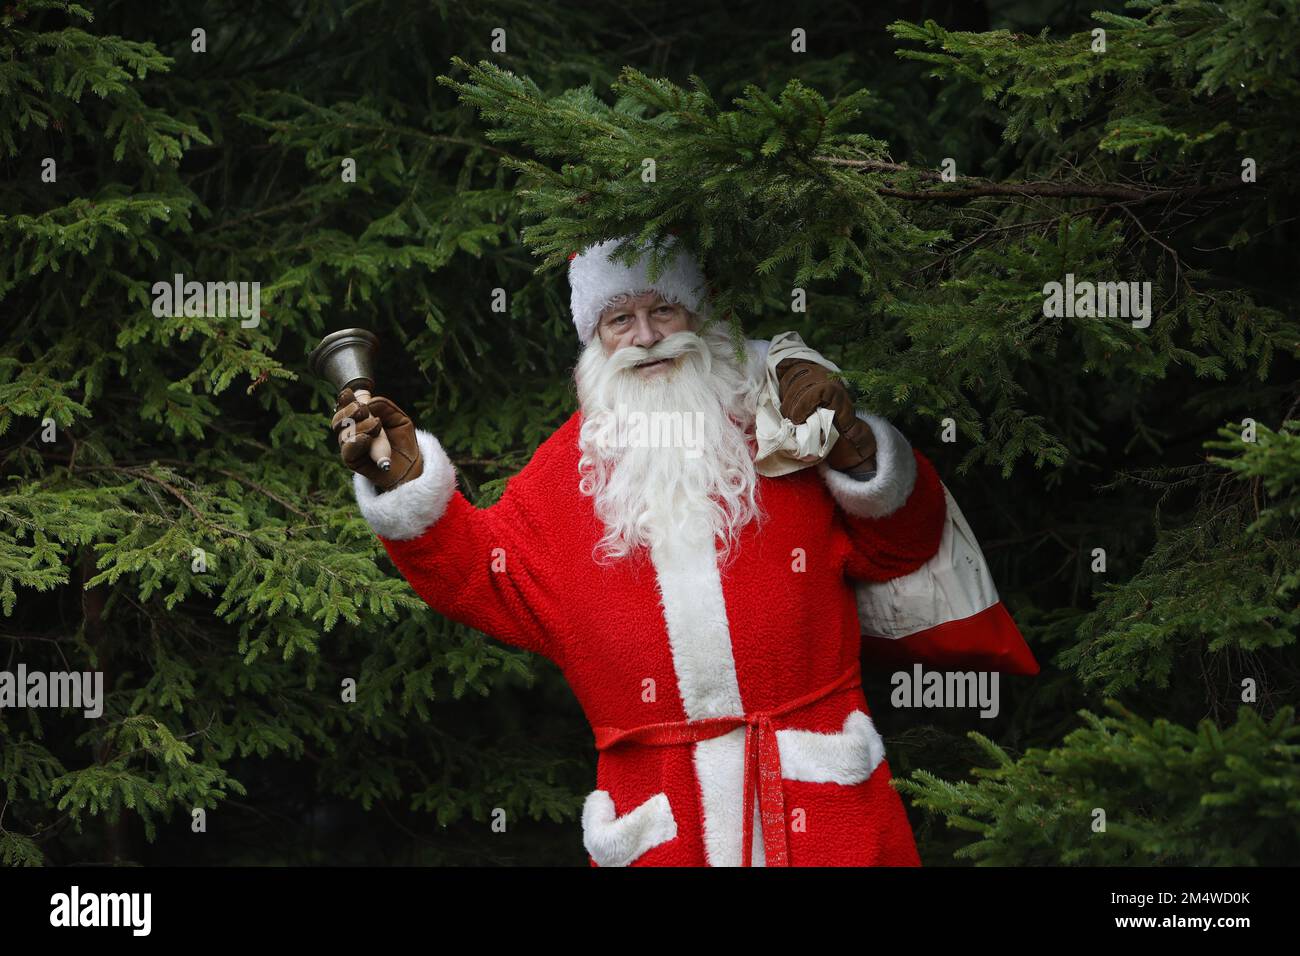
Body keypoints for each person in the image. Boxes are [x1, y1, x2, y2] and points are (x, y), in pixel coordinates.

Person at [330, 235, 949, 866]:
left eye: (664, 311)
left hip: (823, 804)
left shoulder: (778, 429)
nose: (647, 336)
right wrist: (398, 479)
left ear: (696, 319)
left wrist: (854, 447)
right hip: (662, 822)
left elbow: (904, 543)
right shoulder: (562, 475)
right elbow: (478, 574)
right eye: (620, 318)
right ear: (594, 337)